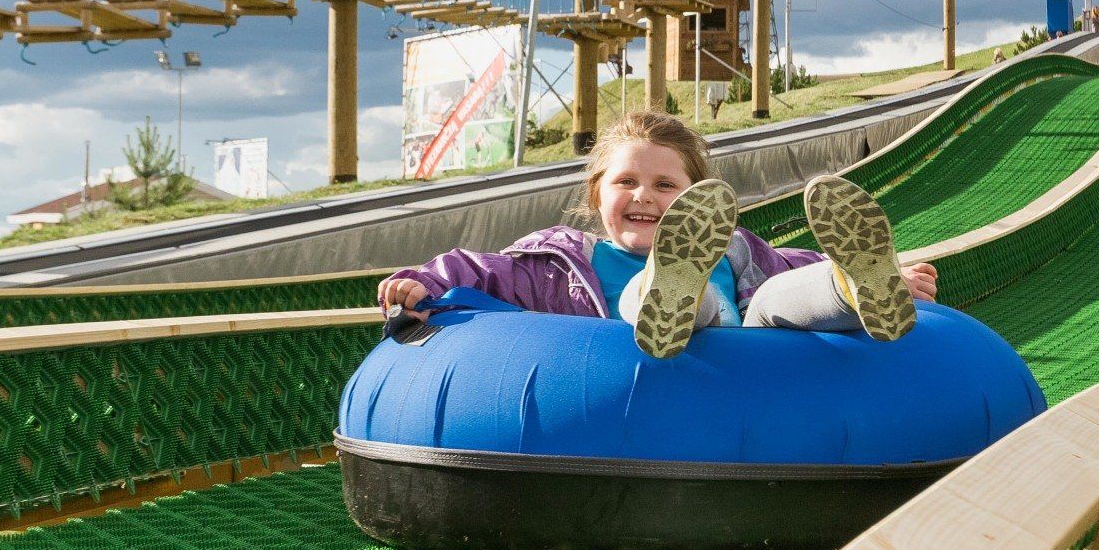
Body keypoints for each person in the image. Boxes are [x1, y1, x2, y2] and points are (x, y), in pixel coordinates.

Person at [378, 111, 939, 360]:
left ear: (698, 199)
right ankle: (668, 291)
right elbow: (476, 269)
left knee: (774, 296)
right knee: (679, 299)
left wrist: (892, 277)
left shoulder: (740, 252)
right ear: (597, 195)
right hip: (653, 371)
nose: (644, 196)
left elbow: (796, 266)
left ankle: (855, 287)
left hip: (751, 370)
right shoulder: (560, 266)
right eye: (626, 182)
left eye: (666, 186)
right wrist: (420, 283)